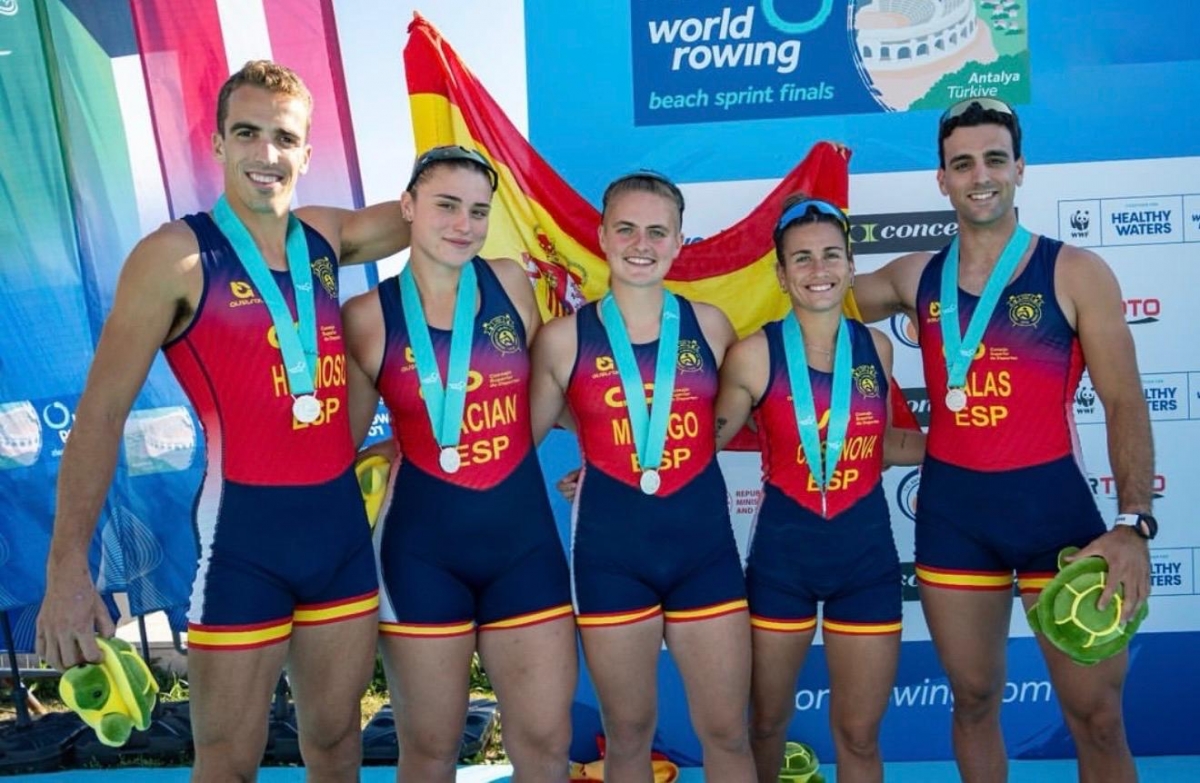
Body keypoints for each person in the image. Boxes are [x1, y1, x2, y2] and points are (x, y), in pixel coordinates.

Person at [36, 61, 410, 782]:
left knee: (336, 748)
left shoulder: (327, 236)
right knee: (228, 762)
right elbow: (101, 416)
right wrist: (66, 571)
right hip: (245, 545)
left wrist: (480, 161)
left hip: (339, 541)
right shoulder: (173, 258)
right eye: (247, 133)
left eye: (283, 137)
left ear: (306, 151)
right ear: (216, 142)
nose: (265, 155)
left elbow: (430, 208)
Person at [854, 98, 1154, 783]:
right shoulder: (913, 275)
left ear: (1019, 168)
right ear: (942, 179)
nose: (979, 175)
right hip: (955, 519)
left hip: (1055, 515)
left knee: (1098, 717)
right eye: (962, 163)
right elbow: (810, 293)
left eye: (994, 159)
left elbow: (1123, 400)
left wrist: (1133, 523)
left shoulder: (1075, 271)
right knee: (973, 699)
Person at [342, 145, 577, 783]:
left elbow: (551, 398)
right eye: (446, 206)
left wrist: (612, 455)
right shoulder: (366, 318)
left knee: (546, 744)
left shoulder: (509, 283)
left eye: (477, 211)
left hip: (523, 548)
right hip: (422, 554)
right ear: (410, 208)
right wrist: (391, 448)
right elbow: (341, 447)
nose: (463, 225)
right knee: (429, 750)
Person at [530, 171, 756, 783]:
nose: (641, 243)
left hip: (702, 553)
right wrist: (610, 465)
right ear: (601, 235)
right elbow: (511, 441)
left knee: (728, 733)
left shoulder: (711, 327)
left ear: (680, 241)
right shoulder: (561, 339)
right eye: (626, 228)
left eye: (657, 231)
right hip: (612, 555)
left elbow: (734, 422)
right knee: (627, 735)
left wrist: (650, 459)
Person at [715, 195, 924, 783]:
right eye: (801, 259)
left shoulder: (876, 349)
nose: (818, 269)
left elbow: (882, 445)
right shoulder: (754, 355)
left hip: (867, 559)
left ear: (852, 266)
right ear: (781, 275)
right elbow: (709, 437)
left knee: (859, 736)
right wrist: (625, 466)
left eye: (832, 255)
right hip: (784, 560)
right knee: (765, 726)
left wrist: (964, 452)